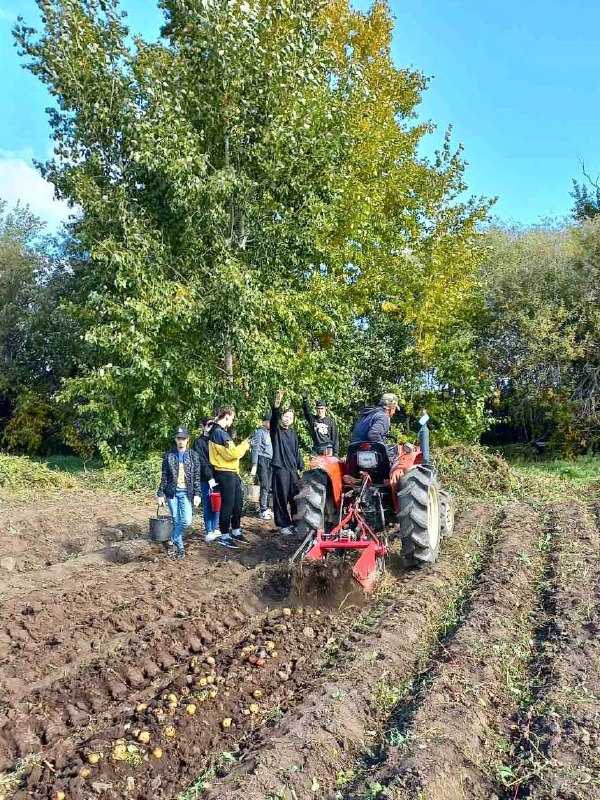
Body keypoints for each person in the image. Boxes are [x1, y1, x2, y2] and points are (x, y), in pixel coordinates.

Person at [209, 406, 253, 549]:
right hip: (224, 472)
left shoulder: (222, 433)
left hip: (232, 472)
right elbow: (232, 453)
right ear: (227, 416)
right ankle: (224, 536)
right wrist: (245, 445)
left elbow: (232, 454)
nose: (232, 421)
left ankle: (235, 531)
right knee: (227, 504)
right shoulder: (218, 433)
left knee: (237, 503)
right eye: (232, 417)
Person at [157, 424, 202, 560]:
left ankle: (171, 540)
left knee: (186, 521)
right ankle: (180, 549)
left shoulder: (193, 455)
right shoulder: (169, 455)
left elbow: (197, 477)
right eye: (178, 438)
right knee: (176, 521)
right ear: (175, 440)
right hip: (172, 493)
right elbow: (164, 476)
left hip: (186, 493)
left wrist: (197, 494)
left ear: (188, 439)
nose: (181, 441)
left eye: (183, 438)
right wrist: (160, 494)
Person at [270, 390, 304, 536]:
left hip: (292, 469)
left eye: (290, 417)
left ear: (293, 420)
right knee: (281, 497)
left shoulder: (293, 433)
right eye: (285, 416)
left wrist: (301, 466)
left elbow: (296, 451)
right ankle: (283, 524)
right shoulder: (276, 431)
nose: (287, 419)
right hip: (280, 468)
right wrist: (276, 406)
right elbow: (273, 420)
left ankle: (296, 522)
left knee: (294, 496)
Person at [193, 418, 221, 543]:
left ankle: (215, 528)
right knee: (208, 504)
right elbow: (201, 461)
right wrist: (209, 477)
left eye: (212, 424)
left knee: (217, 503)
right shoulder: (198, 442)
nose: (210, 427)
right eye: (208, 425)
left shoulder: (215, 440)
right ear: (202, 426)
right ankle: (208, 530)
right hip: (205, 478)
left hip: (218, 476)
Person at [350, 393, 399, 461]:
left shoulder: (367, 414)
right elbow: (373, 434)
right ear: (391, 408)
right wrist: (385, 449)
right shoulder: (383, 416)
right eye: (395, 409)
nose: (394, 412)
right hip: (369, 458)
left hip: (354, 454)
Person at [302, 391, 339, 456]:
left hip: (328, 448)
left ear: (325, 409)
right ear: (316, 409)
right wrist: (305, 400)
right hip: (316, 448)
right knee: (315, 465)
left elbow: (335, 437)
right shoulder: (313, 420)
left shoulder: (331, 421)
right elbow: (306, 412)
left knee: (327, 466)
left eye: (322, 408)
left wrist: (335, 453)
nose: (320, 410)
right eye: (318, 409)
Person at [250, 414, 273, 520]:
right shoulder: (259, 432)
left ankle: (267, 507)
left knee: (268, 485)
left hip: (270, 460)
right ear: (264, 422)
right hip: (262, 459)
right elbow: (255, 448)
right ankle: (263, 509)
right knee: (264, 484)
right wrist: (254, 464)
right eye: (268, 422)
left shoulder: (270, 433)